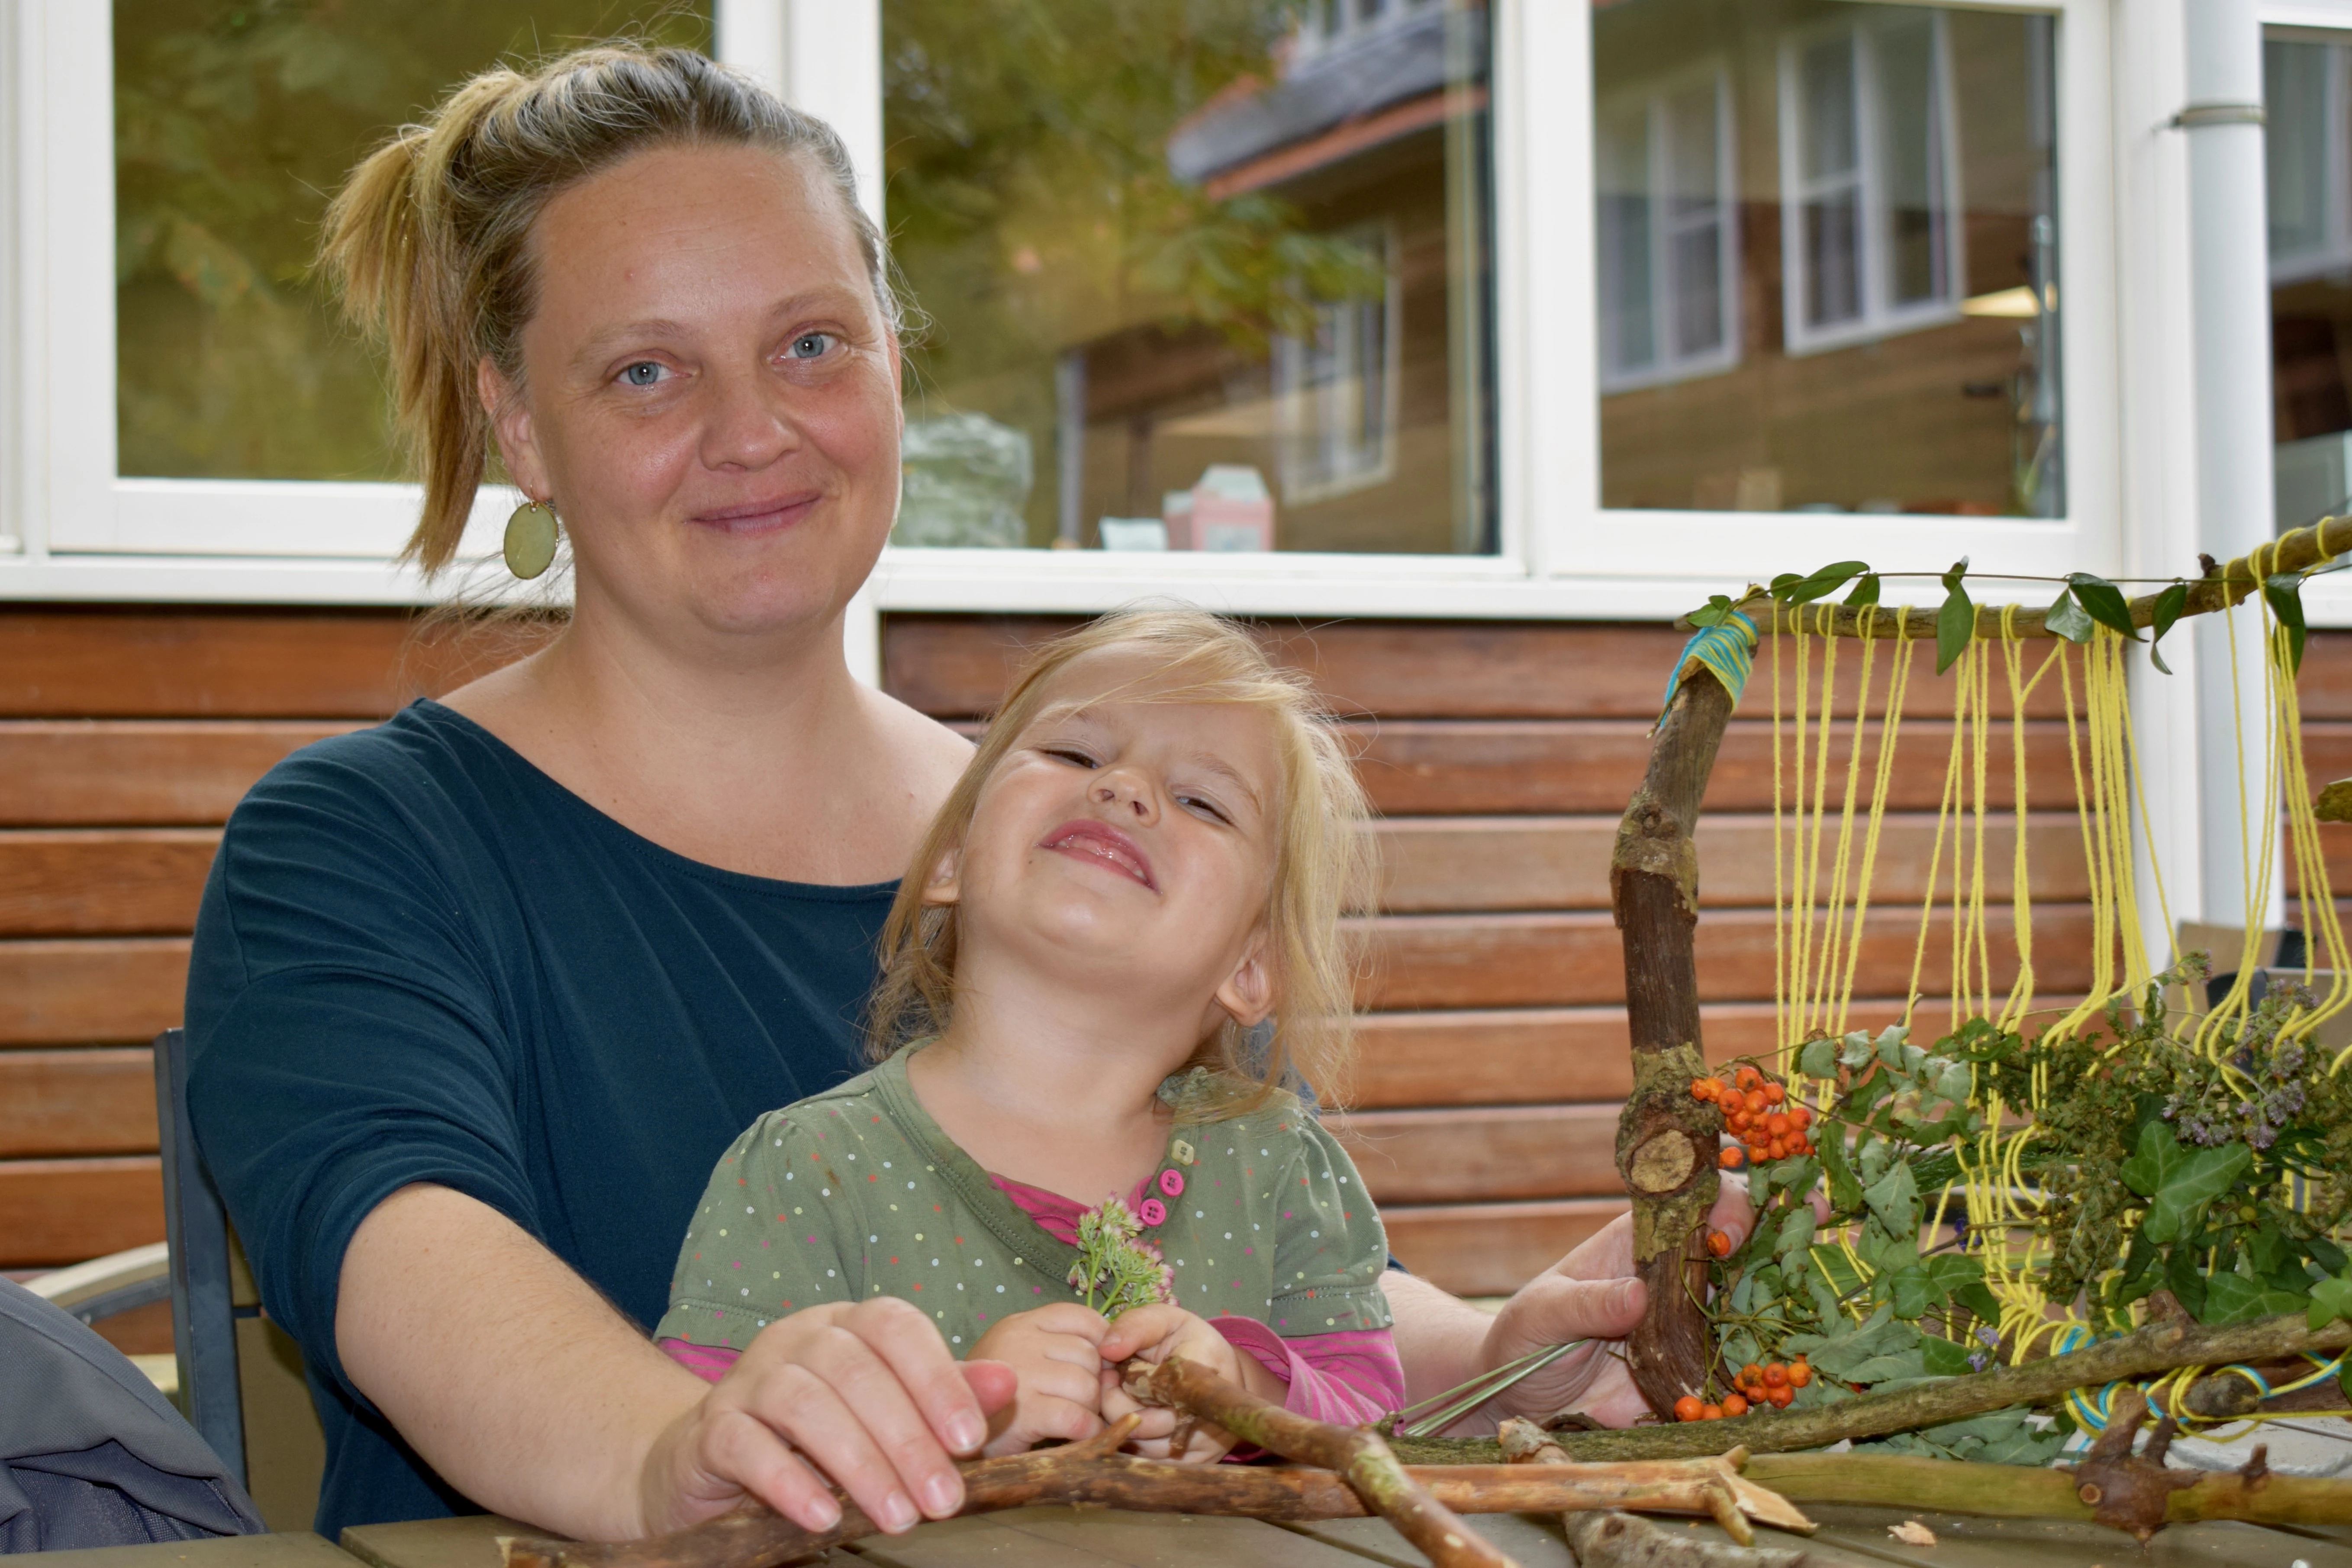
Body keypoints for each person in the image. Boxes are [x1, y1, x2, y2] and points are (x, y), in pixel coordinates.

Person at [184, 42, 1752, 1548]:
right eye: (647, 371)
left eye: (811, 343)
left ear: (891, 358)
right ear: (519, 424)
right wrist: (679, 1450)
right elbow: (406, 1263)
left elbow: (1250, 1255)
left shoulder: (1078, 833)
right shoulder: (361, 846)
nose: (754, 432)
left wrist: (1500, 1346)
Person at [657, 610, 1398, 1461]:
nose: (1123, 787)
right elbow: (709, 1469)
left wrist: (1242, 1389)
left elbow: (1375, 1421)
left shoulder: (1280, 1169)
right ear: (949, 858)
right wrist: (960, 1410)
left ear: (1251, 965)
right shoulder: (804, 1169)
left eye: (1202, 799)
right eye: (1074, 754)